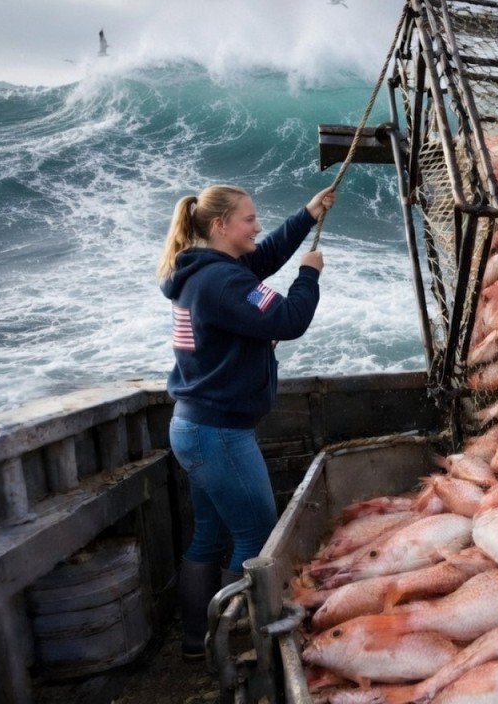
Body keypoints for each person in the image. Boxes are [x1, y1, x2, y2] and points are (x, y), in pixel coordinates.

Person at [156, 183, 334, 659]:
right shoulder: (223, 283)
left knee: (210, 537)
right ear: (221, 226)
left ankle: (201, 644)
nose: (257, 226)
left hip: (194, 427)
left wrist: (306, 215)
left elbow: (261, 258)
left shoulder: (205, 270)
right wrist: (309, 274)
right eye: (249, 219)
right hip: (219, 435)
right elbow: (288, 319)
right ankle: (247, 652)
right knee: (257, 544)